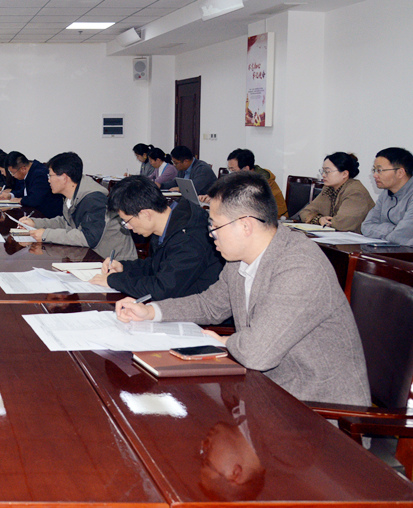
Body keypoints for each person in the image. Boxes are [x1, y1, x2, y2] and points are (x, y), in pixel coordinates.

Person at [116, 171, 371, 406]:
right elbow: (210, 305)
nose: (210, 234)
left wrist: (225, 342)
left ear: (246, 225)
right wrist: (151, 312)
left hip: (316, 406)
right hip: (264, 390)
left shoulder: (300, 266)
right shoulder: (239, 258)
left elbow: (258, 353)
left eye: (215, 226)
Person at [89, 175, 223, 301]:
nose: (128, 227)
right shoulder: (169, 221)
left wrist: (114, 280)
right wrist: (124, 267)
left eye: (127, 221)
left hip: (196, 312)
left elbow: (162, 289)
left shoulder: (189, 239)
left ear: (146, 214)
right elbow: (157, 266)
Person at [21, 152, 136, 259]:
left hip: (117, 263)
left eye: (50, 176)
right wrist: (35, 223)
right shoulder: (72, 196)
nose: (49, 181)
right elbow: (66, 223)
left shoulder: (94, 200)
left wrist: (46, 234)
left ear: (64, 178)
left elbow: (88, 238)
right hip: (93, 258)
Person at [297, 152, 374, 231]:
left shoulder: (355, 192)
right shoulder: (329, 189)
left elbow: (341, 225)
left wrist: (321, 220)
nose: (323, 175)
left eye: (327, 171)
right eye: (323, 171)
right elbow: (304, 213)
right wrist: (319, 219)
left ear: (344, 174)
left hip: (355, 238)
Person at [362, 147, 413, 245]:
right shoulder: (386, 193)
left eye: (379, 170)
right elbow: (366, 226)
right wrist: (393, 229)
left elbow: (400, 236)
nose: (375, 175)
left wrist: (389, 231)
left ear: (400, 173)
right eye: (374, 170)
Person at [222, 149, 287, 218]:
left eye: (233, 170)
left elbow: (248, 205)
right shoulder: (243, 178)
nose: (231, 174)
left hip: (274, 218)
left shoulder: (262, 181)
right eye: (229, 169)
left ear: (246, 169)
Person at [0, 151, 62, 218]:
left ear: (23, 169)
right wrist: (11, 195)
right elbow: (28, 190)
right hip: (36, 212)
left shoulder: (40, 174)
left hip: (47, 216)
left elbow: (34, 200)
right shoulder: (32, 169)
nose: (12, 175)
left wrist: (20, 200)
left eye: (12, 172)